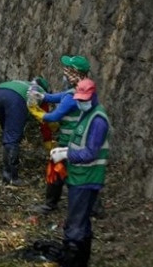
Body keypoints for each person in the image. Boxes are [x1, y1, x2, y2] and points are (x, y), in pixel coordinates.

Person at [49, 78, 108, 267]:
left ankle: (73, 259)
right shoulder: (88, 113)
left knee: (75, 223)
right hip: (79, 176)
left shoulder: (98, 120)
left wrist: (67, 153)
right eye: (79, 99)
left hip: (86, 178)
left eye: (84, 99)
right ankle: (83, 260)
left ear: (93, 96)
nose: (80, 103)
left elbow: (90, 153)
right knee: (82, 220)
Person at [28, 55, 91, 213]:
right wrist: (42, 96)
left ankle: (50, 204)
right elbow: (57, 97)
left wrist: (38, 113)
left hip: (70, 142)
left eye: (68, 70)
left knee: (56, 170)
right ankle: (95, 207)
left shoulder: (73, 97)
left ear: (75, 73)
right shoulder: (84, 89)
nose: (65, 73)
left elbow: (55, 116)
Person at [0, 76, 53, 186]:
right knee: (13, 138)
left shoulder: (25, 84)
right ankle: (11, 177)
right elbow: (44, 121)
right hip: (15, 98)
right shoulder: (40, 93)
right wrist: (48, 141)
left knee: (7, 130)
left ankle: (6, 171)